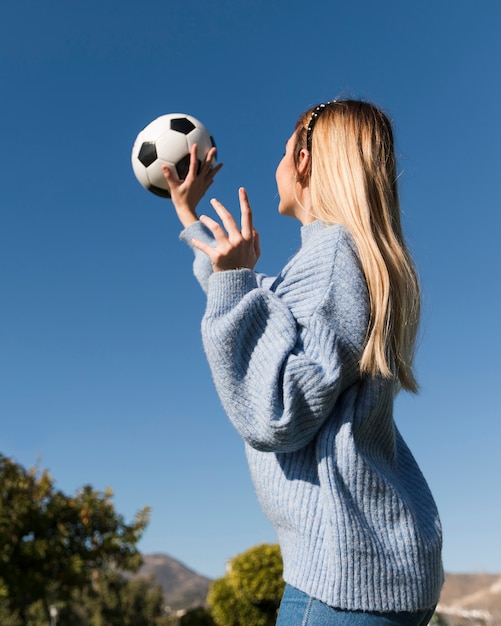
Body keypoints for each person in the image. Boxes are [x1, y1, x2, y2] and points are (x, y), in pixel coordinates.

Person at [162, 99, 443, 625]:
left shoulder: (333, 255)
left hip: (343, 585)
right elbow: (266, 310)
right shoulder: (343, 256)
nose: (278, 164)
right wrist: (193, 223)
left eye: (284, 150)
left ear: (306, 162)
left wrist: (233, 282)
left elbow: (278, 410)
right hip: (375, 573)